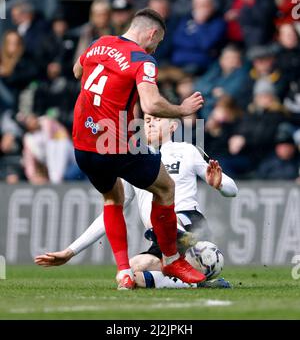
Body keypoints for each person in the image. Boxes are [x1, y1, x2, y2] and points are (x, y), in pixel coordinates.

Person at [71, 8, 205, 290]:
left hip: (83, 146)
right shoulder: (143, 60)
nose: (156, 48)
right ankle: (171, 258)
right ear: (153, 34)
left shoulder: (99, 43)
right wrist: (182, 109)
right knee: (166, 188)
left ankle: (123, 273)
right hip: (115, 144)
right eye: (158, 42)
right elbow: (152, 105)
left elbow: (77, 71)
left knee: (112, 198)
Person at [35, 113, 238, 289]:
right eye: (147, 119)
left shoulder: (186, 150)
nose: (149, 123)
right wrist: (71, 251)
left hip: (190, 222)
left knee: (170, 221)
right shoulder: (133, 162)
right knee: (130, 273)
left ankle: (181, 237)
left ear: (173, 126)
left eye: (157, 119)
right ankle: (194, 280)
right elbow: (112, 211)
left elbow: (232, 190)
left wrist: (219, 184)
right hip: (160, 238)